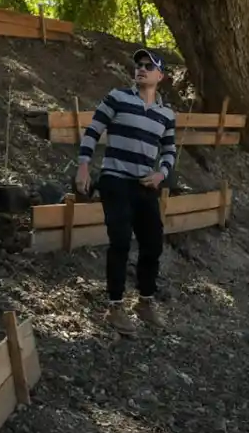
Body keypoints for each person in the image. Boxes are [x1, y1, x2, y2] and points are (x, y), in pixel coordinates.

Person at [75, 49, 178, 336]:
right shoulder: (117, 98)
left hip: (145, 185)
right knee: (120, 240)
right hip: (115, 180)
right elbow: (93, 131)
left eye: (148, 66)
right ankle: (115, 306)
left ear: (160, 76)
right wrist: (83, 166)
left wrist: (161, 174)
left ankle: (145, 302)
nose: (141, 69)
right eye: (138, 65)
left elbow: (169, 150)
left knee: (153, 243)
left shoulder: (166, 114)